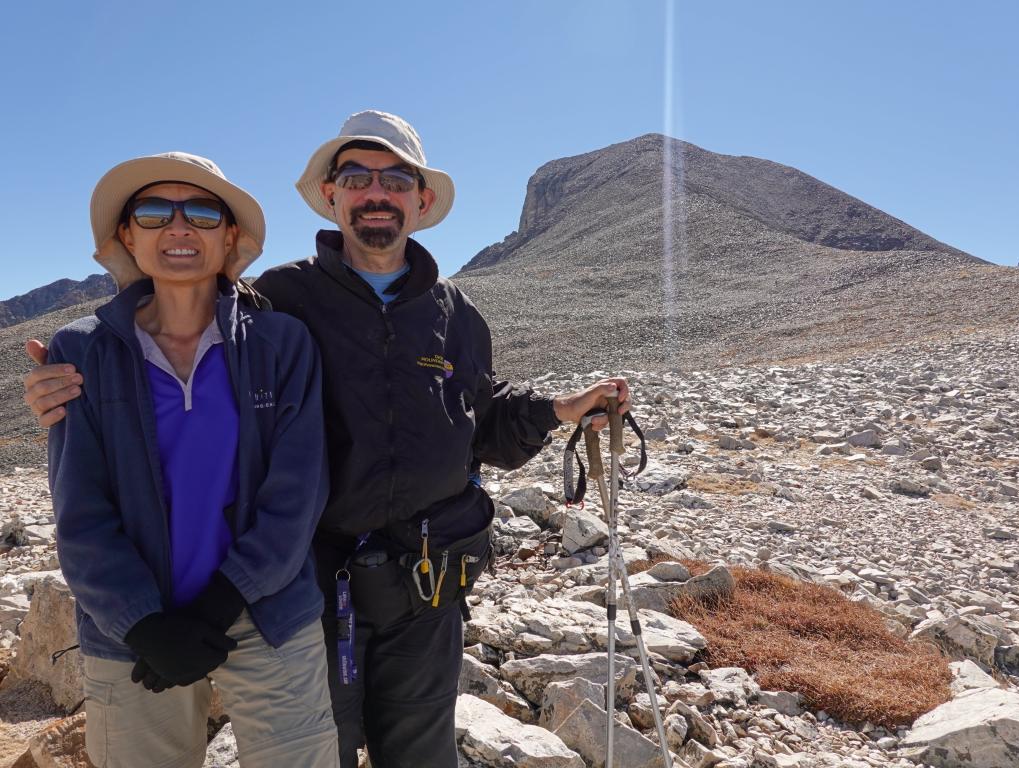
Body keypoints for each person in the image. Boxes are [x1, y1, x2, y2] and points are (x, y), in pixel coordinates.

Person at [25, 111, 630, 768]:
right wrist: (68, 379)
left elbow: (479, 423)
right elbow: (184, 309)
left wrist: (559, 410)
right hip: (315, 580)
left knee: (422, 751)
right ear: (331, 196)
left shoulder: (458, 317)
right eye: (356, 177)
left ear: (420, 201)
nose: (376, 192)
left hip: (428, 585)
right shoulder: (278, 301)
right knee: (327, 748)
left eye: (395, 179)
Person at [43, 152, 339, 768]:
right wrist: (142, 623)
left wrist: (220, 603)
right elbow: (80, 509)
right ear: (127, 235)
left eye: (202, 213)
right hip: (133, 632)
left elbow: (297, 492)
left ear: (229, 235)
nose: (178, 228)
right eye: (153, 212)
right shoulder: (80, 352)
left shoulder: (281, 344)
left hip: (267, 615)